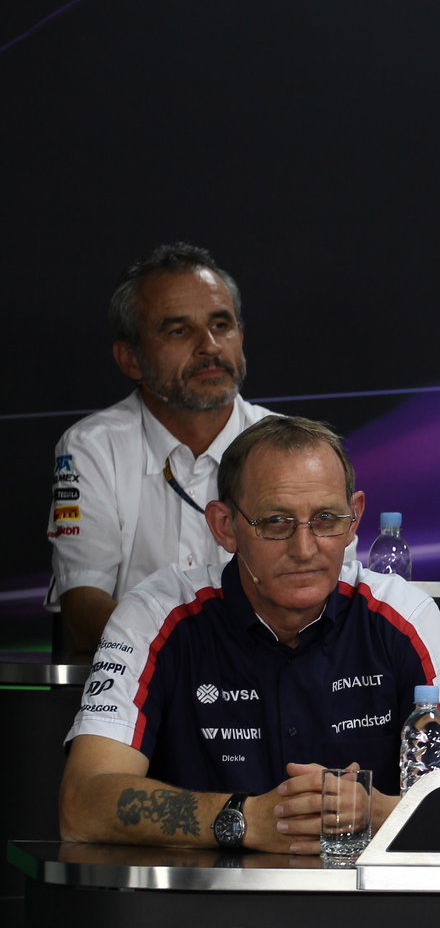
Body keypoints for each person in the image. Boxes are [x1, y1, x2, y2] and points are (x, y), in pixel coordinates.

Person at [59, 416, 440, 853]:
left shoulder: (406, 614)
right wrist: (240, 818)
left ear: (354, 519)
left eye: (325, 519)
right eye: (275, 522)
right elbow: (82, 805)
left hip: (366, 912)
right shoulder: (153, 615)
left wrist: (377, 814)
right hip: (196, 910)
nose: (304, 549)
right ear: (225, 526)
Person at [47, 243, 276, 652]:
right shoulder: (93, 447)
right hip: (138, 694)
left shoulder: (292, 448)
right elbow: (83, 609)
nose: (209, 346)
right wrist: (193, 662)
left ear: (240, 335)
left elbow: (329, 594)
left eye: (221, 325)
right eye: (179, 330)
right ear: (130, 358)